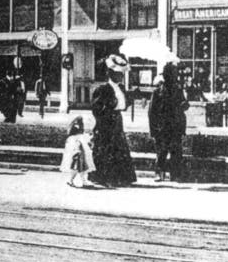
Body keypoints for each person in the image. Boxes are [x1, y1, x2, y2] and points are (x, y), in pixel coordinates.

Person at [88, 54, 137, 187]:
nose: (120, 77)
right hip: (106, 123)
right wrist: (110, 105)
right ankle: (104, 177)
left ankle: (120, 178)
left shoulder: (121, 89)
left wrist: (130, 99)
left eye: (121, 74)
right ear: (110, 73)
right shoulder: (103, 89)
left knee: (119, 149)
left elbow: (123, 105)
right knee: (106, 149)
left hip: (117, 121)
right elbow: (96, 109)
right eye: (117, 74)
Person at [148, 62, 189, 181]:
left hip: (175, 126)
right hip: (162, 127)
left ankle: (175, 174)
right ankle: (159, 173)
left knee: (176, 151)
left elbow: (183, 105)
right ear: (166, 76)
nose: (174, 78)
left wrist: (185, 105)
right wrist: (153, 130)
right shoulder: (157, 92)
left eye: (175, 75)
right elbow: (152, 113)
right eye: (172, 75)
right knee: (161, 151)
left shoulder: (178, 90)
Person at [61, 117, 95, 187]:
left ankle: (80, 181)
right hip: (78, 155)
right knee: (79, 167)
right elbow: (80, 145)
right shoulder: (78, 138)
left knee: (81, 168)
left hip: (79, 155)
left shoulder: (72, 138)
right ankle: (73, 180)